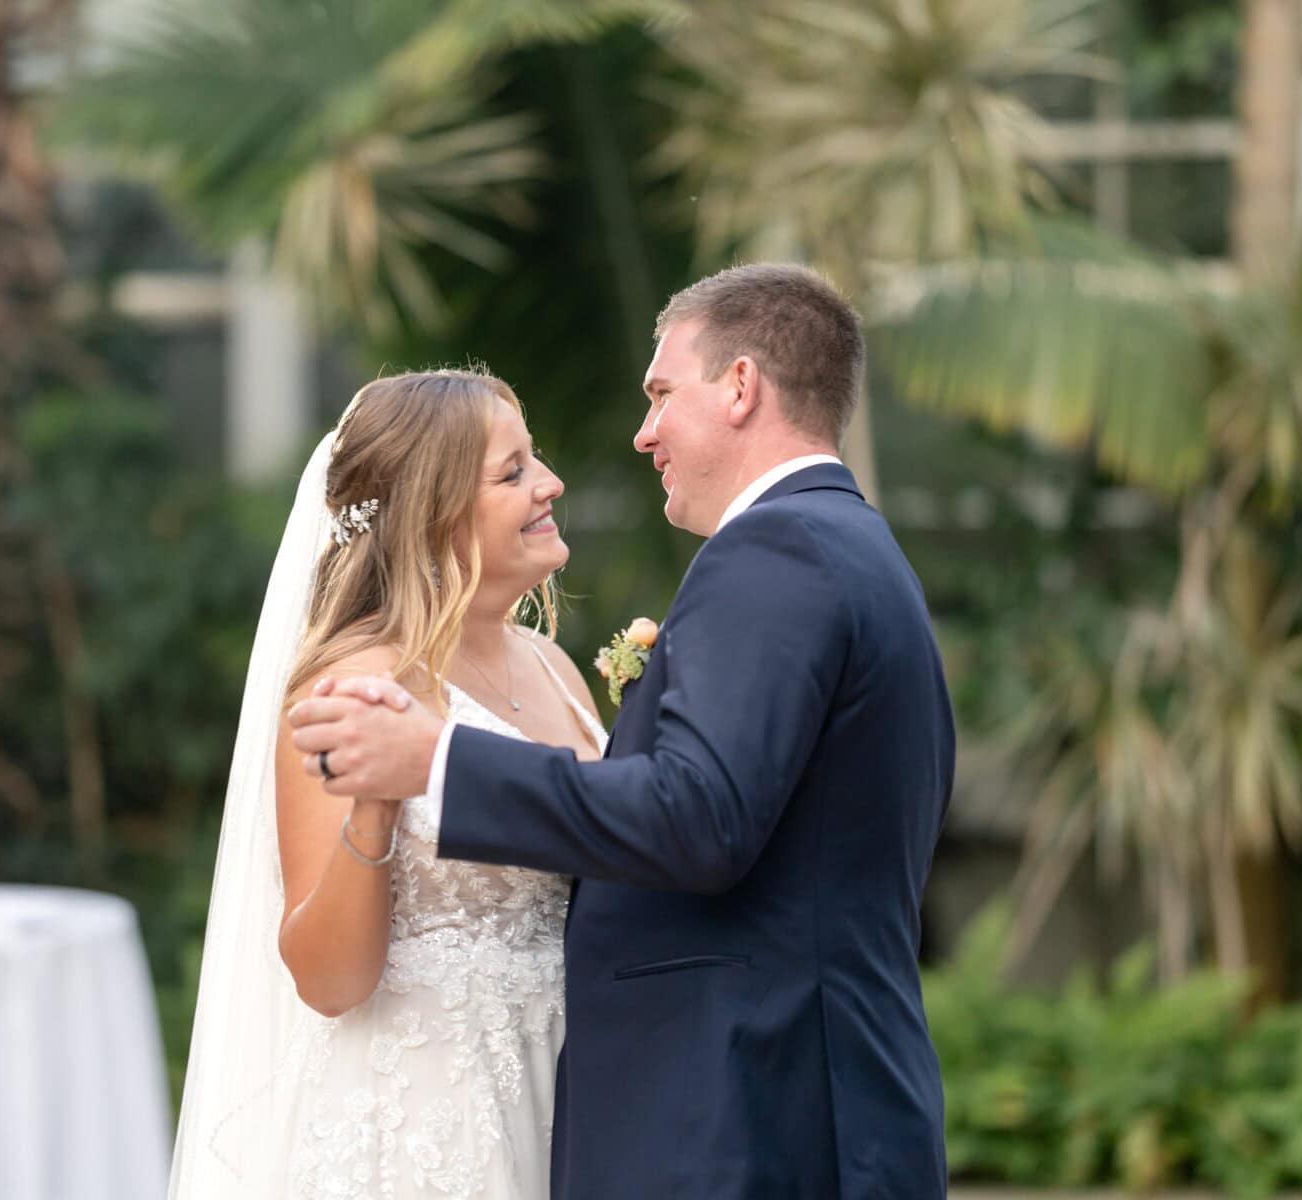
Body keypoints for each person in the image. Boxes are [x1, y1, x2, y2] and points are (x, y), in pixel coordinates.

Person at [291, 263, 956, 1198]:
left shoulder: (774, 551)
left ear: (740, 387)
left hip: (754, 1115)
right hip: (608, 1108)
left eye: (660, 393)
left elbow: (697, 816)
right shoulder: (854, 546)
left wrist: (435, 764)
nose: (642, 432)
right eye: (513, 468)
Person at [168, 369, 606, 1199]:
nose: (549, 484)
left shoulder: (553, 666)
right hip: (419, 1127)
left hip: (567, 1104)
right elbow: (329, 981)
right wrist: (376, 804)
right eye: (512, 473)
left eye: (534, 460)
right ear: (431, 515)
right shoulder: (352, 686)